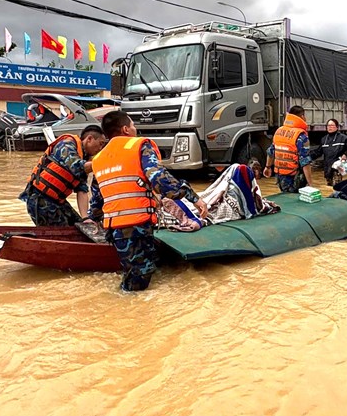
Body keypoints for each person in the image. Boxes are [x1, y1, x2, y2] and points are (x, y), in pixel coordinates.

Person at [92, 111, 208, 291]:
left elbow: (97, 199)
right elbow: (158, 178)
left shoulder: (98, 159)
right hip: (136, 227)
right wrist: (193, 197)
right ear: (125, 129)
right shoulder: (138, 145)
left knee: (132, 272)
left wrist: (94, 220)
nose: (135, 129)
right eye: (133, 125)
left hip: (114, 230)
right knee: (138, 283)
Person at [20, 125, 106, 226]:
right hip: (39, 199)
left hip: (58, 201)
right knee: (61, 230)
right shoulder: (66, 145)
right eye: (100, 144)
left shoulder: (84, 157)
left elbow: (82, 189)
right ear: (89, 139)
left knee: (80, 226)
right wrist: (103, 162)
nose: (100, 149)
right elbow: (76, 166)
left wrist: (85, 218)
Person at [263, 105, 313, 192]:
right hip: (294, 177)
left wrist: (267, 167)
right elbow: (305, 161)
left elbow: (271, 152)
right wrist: (310, 184)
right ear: (302, 117)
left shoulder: (279, 131)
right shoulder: (301, 136)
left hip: (280, 176)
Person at [313, 118, 347, 186]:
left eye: (332, 125)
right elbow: (318, 152)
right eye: (328, 125)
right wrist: (307, 156)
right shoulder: (324, 139)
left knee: (337, 187)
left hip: (337, 169)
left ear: (337, 127)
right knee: (328, 187)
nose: (330, 127)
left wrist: (346, 155)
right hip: (327, 168)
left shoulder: (343, 138)